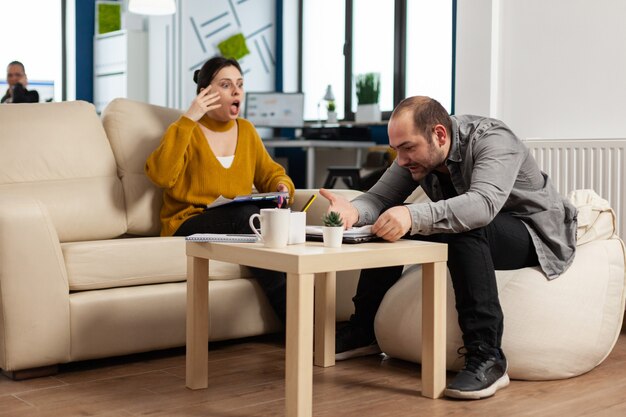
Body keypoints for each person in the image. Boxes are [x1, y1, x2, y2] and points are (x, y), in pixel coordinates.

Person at [320, 96, 577, 400]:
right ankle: (364, 330)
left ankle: (488, 355)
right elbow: (378, 199)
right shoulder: (417, 153)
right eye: (396, 150)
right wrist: (354, 211)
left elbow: (482, 206)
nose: (401, 160)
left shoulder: (493, 140)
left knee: (462, 227)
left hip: (533, 233)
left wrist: (411, 215)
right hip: (479, 229)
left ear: (439, 135)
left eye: (407, 148)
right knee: (386, 224)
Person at [145, 56, 294, 322]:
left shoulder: (246, 130)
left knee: (268, 211)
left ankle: (305, 306)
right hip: (187, 222)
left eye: (240, 84)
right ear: (205, 93)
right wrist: (190, 117)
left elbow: (270, 172)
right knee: (247, 214)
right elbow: (161, 176)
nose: (236, 91)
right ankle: (294, 319)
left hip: (233, 217)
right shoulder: (186, 130)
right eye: (226, 85)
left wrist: (282, 186)